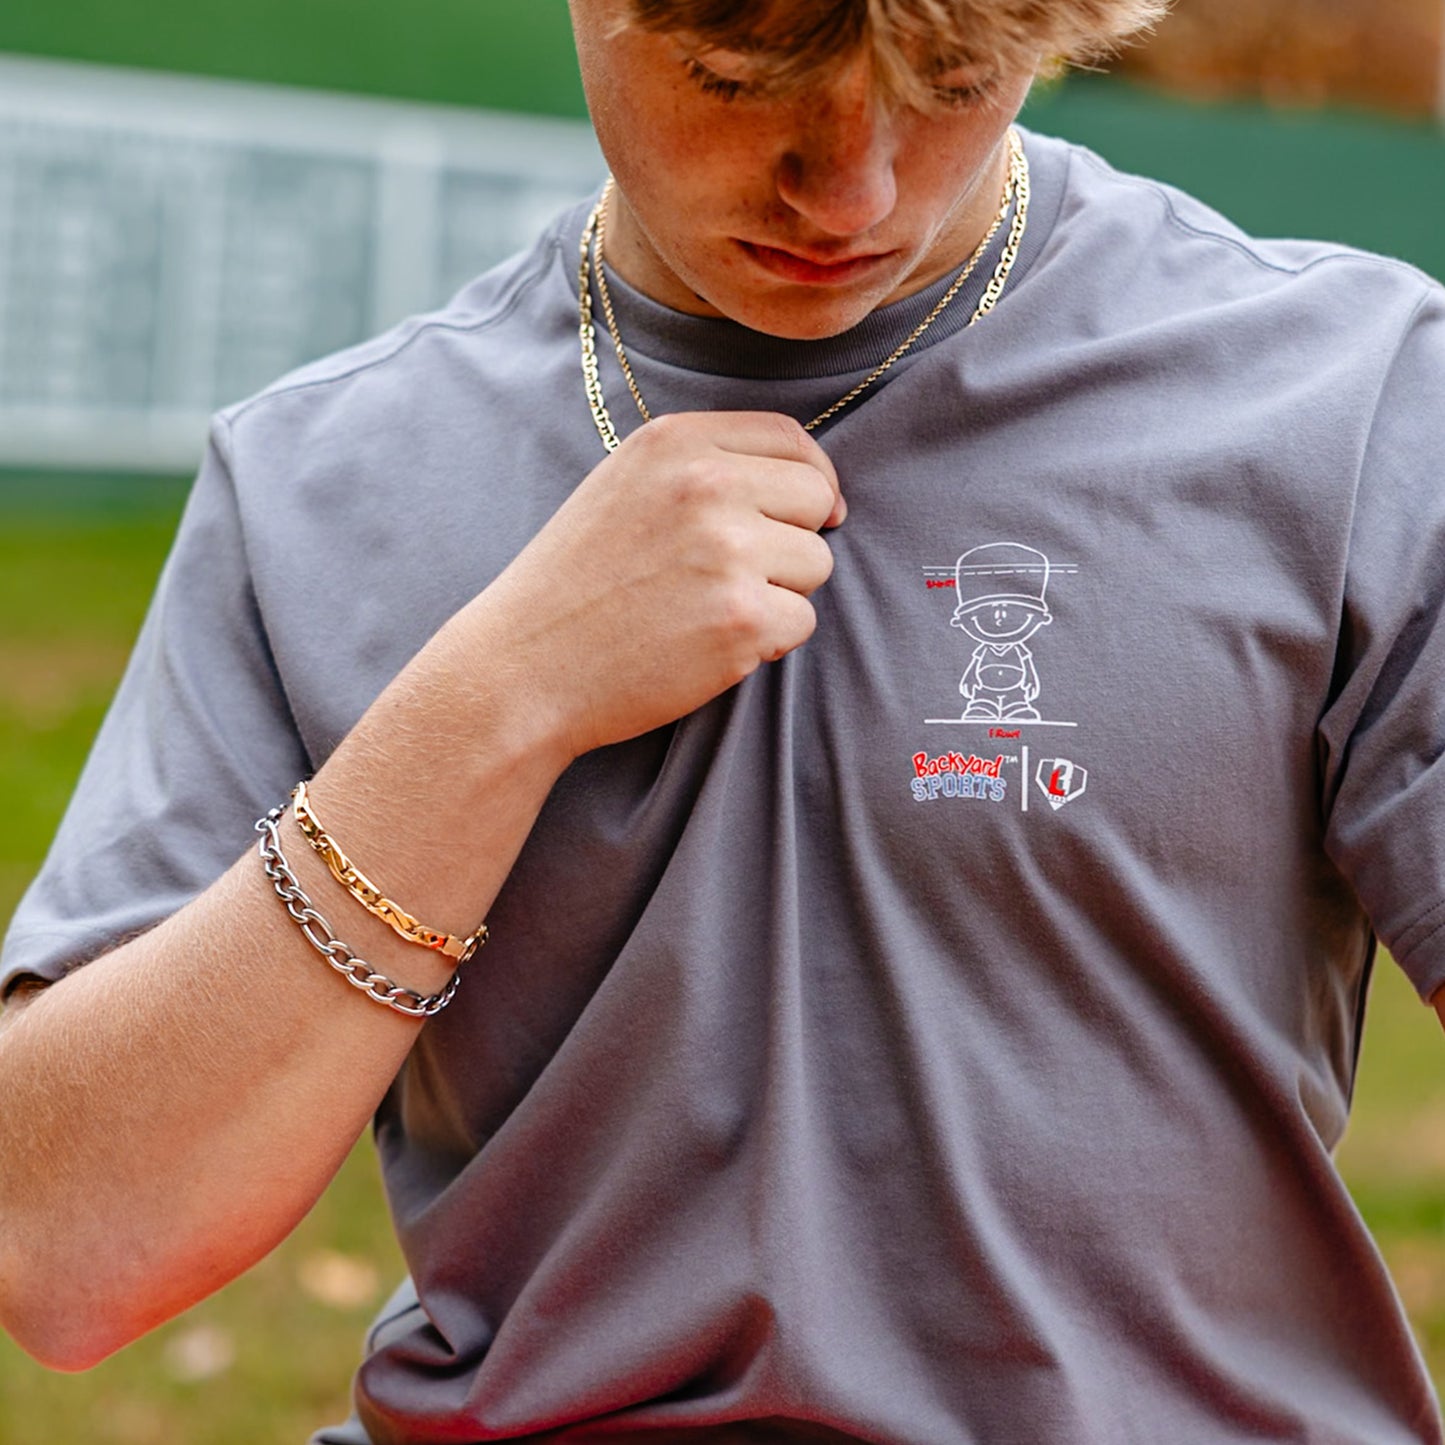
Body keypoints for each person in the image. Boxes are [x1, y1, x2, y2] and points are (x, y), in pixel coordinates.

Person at [2, 0, 1444, 1439]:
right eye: (741, 78)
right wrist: (496, 698)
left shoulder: (1345, 399)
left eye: (952, 80)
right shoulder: (318, 479)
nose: (854, 184)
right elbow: (62, 1249)